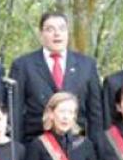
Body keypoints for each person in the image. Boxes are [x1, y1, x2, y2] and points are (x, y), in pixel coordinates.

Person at [8, 11, 103, 140]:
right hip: (37, 145)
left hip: (77, 145)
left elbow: (95, 113)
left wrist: (95, 149)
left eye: (62, 28)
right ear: (41, 34)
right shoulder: (23, 65)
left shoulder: (87, 65)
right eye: (50, 29)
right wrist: (17, 151)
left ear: (68, 33)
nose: (57, 33)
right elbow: (15, 113)